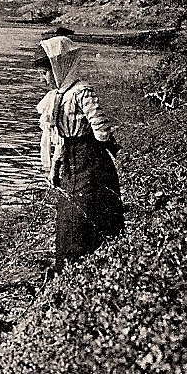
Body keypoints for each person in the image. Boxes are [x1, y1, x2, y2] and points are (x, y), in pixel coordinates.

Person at [34, 36, 124, 273]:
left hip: (90, 158)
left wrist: (106, 142)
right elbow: (60, 140)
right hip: (71, 161)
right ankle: (68, 266)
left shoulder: (81, 92)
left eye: (45, 73)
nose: (42, 78)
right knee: (69, 213)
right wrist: (54, 167)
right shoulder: (56, 97)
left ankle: (96, 261)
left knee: (90, 206)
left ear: (59, 68)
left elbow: (100, 126)